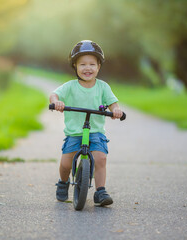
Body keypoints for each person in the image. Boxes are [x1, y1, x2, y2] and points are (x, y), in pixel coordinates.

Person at [49, 40, 123, 206]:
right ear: (75, 66)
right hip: (75, 132)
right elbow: (54, 94)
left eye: (92, 64)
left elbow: (113, 103)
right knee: (66, 163)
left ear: (98, 66)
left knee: (101, 158)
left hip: (95, 131)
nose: (87, 68)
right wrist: (57, 102)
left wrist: (116, 110)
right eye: (82, 64)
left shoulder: (103, 87)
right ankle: (63, 182)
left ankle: (100, 191)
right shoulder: (70, 86)